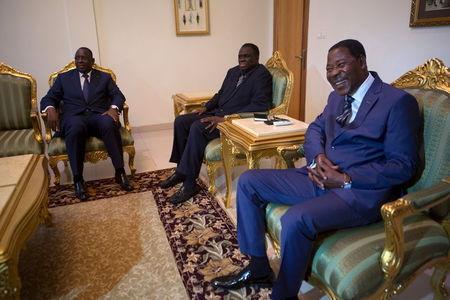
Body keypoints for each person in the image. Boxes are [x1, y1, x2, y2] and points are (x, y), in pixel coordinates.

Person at [211, 39, 421, 299]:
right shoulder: (336, 98)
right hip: (318, 176)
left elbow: (403, 166)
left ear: (362, 62)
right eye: (329, 68)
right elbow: (315, 129)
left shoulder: (397, 102)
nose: (333, 74)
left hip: (358, 191)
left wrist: (345, 178)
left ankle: (284, 294)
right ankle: (258, 268)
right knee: (249, 181)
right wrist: (317, 157)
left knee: (296, 219)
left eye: (340, 65)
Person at [160, 43, 273, 205]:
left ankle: (190, 183)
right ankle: (181, 171)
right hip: (218, 113)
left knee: (198, 127)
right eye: (240, 56)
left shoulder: (262, 75)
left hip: (234, 122)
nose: (242, 59)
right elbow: (220, 95)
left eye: (246, 56)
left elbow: (260, 105)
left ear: (256, 58)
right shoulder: (233, 72)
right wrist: (205, 107)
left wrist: (226, 118)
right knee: (181, 121)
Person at [41, 47, 132, 201]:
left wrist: (113, 108)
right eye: (77, 58)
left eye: (84, 58)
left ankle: (120, 171)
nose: (80, 61)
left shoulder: (104, 77)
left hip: (98, 115)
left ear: (92, 61)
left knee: (109, 124)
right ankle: (78, 179)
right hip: (74, 117)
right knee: (75, 128)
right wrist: (50, 108)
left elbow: (118, 95)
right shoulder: (63, 79)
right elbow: (48, 98)